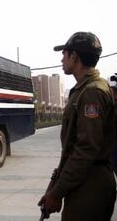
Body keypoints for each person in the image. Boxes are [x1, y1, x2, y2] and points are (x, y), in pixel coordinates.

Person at [38, 32, 116, 220]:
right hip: (86, 180)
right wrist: (55, 186)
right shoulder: (87, 89)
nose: (61, 59)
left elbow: (85, 149)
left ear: (75, 57)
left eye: (64, 54)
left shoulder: (92, 92)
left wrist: (57, 193)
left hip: (91, 185)